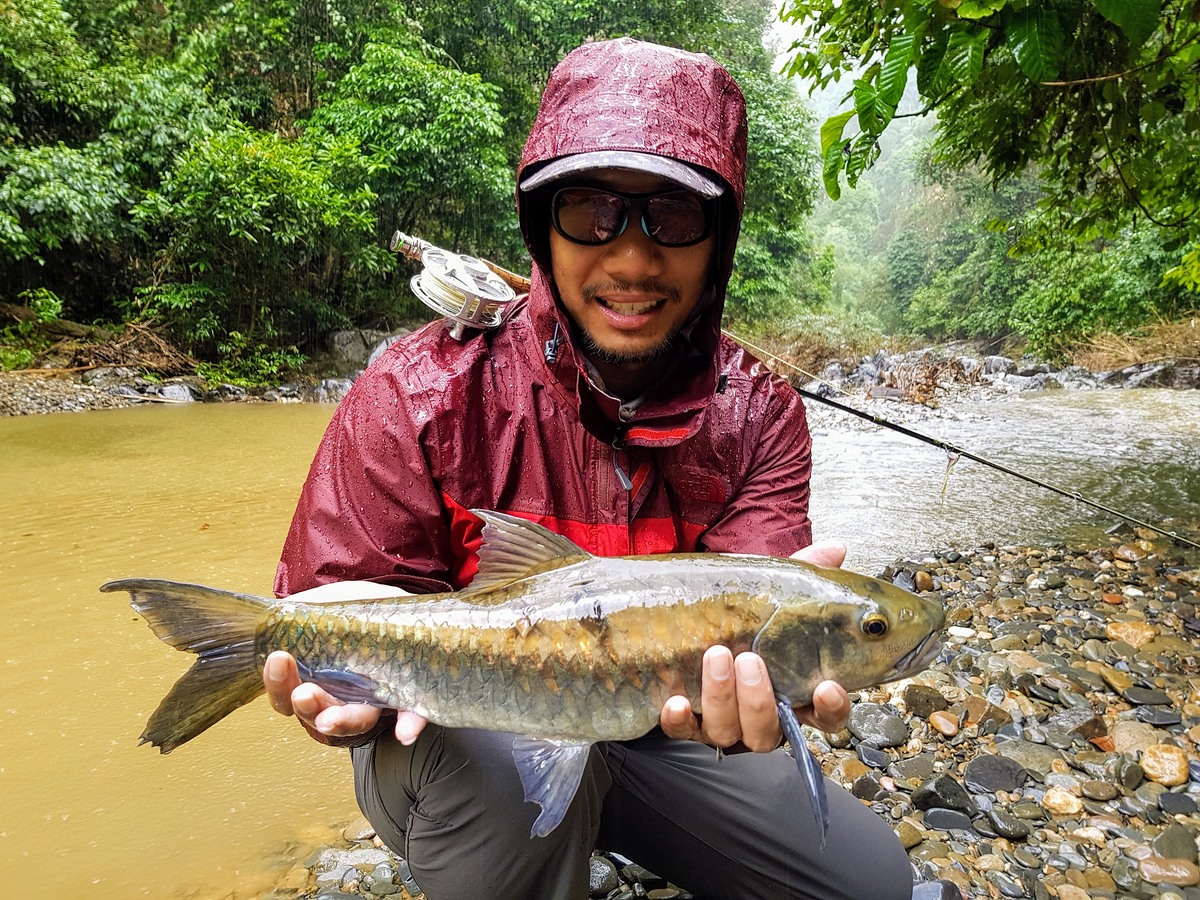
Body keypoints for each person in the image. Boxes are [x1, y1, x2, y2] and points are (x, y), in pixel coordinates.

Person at [265, 38, 916, 900]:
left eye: (676, 217)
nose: (634, 259)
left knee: (871, 887)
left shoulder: (759, 411)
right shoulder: (414, 393)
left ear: (719, 240)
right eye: (591, 211)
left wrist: (760, 705)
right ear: (542, 226)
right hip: (460, 729)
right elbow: (337, 595)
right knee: (493, 778)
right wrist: (322, 656)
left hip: (666, 735)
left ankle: (606, 819)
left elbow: (762, 623)